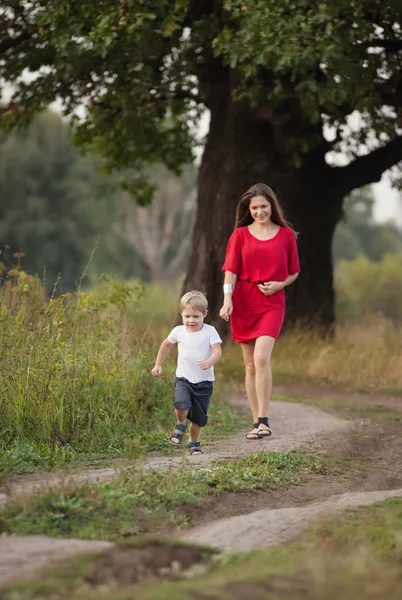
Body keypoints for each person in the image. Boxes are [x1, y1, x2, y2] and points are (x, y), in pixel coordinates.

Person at [219, 183, 300, 440]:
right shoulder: (240, 235)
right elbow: (230, 270)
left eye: (264, 206)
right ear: (248, 209)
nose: (259, 211)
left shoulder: (286, 234)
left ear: (271, 206)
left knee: (262, 358)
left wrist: (280, 283)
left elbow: (294, 271)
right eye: (254, 208)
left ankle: (264, 420)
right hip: (243, 299)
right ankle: (255, 422)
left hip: (273, 301)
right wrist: (227, 299)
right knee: (250, 365)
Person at [151, 290, 222, 455]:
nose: (191, 320)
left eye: (196, 316)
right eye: (187, 316)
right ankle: (180, 423)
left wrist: (209, 362)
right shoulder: (178, 331)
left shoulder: (210, 331)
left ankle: (193, 443)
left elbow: (217, 351)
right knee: (181, 404)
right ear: (181, 313)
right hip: (184, 378)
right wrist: (158, 364)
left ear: (204, 314)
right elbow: (166, 345)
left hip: (204, 382)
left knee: (198, 418)